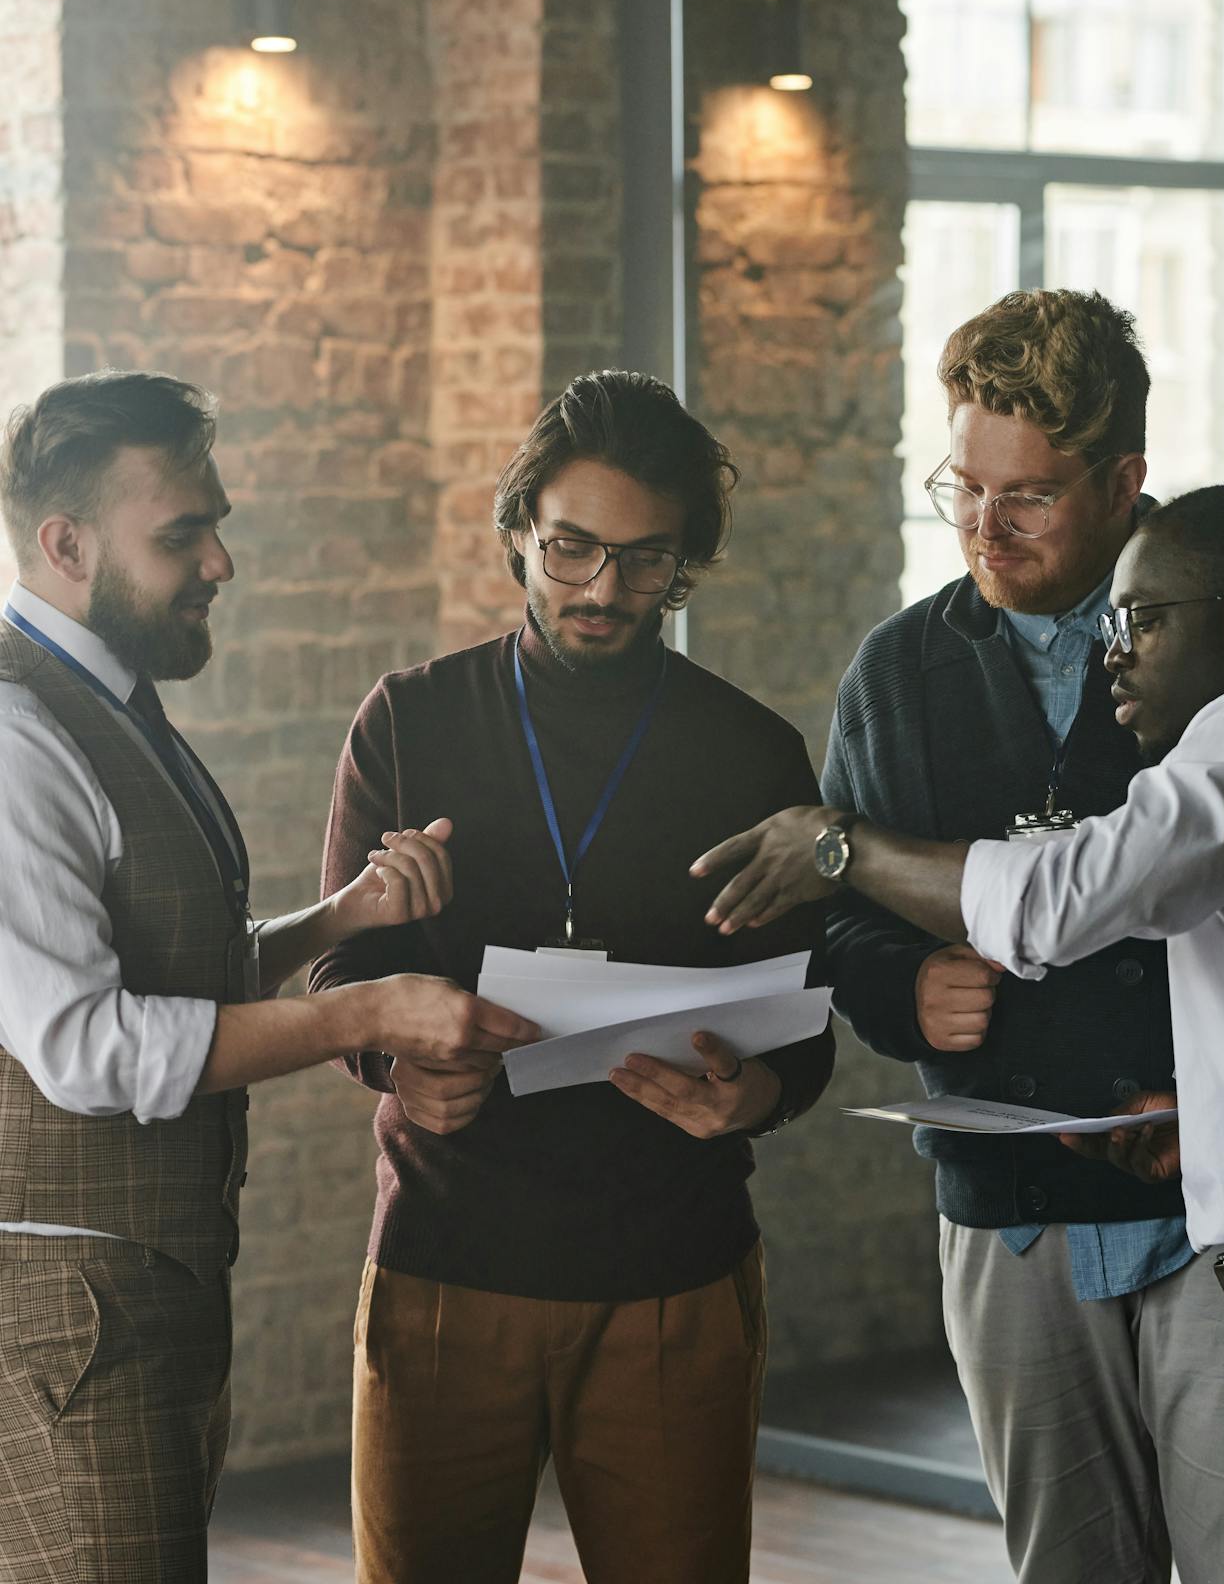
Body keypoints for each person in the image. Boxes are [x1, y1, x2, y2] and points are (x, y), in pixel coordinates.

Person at [695, 291, 1224, 1584]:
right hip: (1011, 1217)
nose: (982, 528)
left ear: (1126, 484)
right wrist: (910, 987)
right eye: (962, 484)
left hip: (1220, 1214)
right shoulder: (899, 670)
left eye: (1029, 496)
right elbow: (840, 925)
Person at [0, 370, 537, 1584]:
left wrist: (340, 920)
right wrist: (364, 1007)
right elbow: (88, 1047)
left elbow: (176, 969)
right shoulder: (15, 738)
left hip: (145, 1292)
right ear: (66, 542)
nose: (221, 563)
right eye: (182, 534)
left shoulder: (109, 706)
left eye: (217, 524)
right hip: (66, 1319)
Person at [310, 369, 835, 1584]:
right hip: (449, 1255)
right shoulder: (409, 720)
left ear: (683, 565)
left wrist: (750, 1098)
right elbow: (340, 968)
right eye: (571, 550)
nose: (604, 591)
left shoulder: (751, 749)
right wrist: (393, 1063)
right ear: (516, 534)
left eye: (644, 562)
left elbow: (805, 1024)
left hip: (672, 1271)